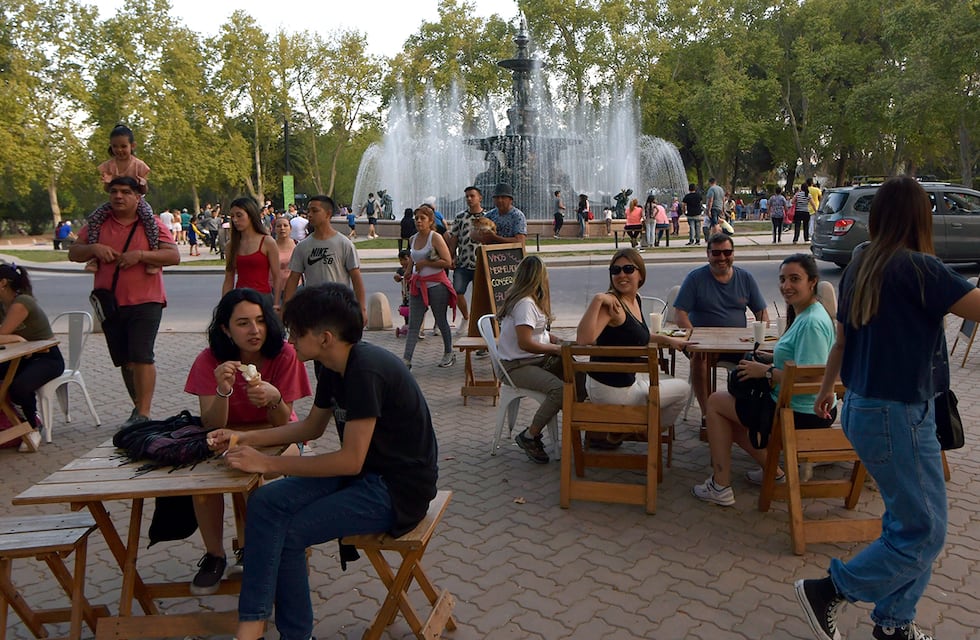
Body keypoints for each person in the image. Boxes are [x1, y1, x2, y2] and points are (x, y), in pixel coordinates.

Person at [795, 177, 980, 640]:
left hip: (862, 407)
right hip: (898, 415)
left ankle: (894, 624)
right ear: (922, 217)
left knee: (910, 524)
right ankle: (830, 591)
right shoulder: (922, 268)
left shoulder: (861, 262)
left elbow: (842, 340)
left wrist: (826, 389)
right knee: (925, 531)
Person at [208, 282, 439, 640]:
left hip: (396, 490)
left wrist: (267, 464)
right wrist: (242, 438)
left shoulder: (366, 371)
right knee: (265, 502)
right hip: (365, 474)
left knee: (290, 533)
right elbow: (311, 428)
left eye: (296, 333)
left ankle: (280, 632)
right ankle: (252, 622)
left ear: (325, 338)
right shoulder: (331, 365)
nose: (290, 340)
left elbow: (349, 461)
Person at [183, 288, 311, 595]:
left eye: (260, 320)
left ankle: (255, 549)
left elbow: (284, 423)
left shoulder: (284, 354)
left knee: (256, 476)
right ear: (226, 329)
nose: (255, 330)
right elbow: (211, 424)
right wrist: (223, 390)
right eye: (243, 323)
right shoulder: (209, 360)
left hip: (279, 437)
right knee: (202, 482)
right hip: (226, 437)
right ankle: (215, 556)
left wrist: (274, 398)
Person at [692, 254, 836, 506]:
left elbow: (811, 377)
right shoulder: (808, 313)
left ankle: (720, 485)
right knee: (730, 411)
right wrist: (771, 358)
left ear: (812, 281)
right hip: (800, 406)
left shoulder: (811, 322)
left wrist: (766, 372)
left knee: (715, 403)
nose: (786, 286)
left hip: (801, 412)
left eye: (795, 279)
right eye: (782, 279)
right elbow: (800, 361)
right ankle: (772, 471)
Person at [68, 176, 180, 426]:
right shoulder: (98, 225)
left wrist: (140, 256)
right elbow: (74, 252)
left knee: (141, 355)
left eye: (126, 192)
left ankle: (144, 413)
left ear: (138, 197)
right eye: (114, 191)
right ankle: (138, 409)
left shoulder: (150, 224)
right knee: (126, 360)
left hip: (147, 301)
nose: (118, 196)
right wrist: (94, 249)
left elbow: (173, 255)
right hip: (110, 303)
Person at [576, 249, 691, 447]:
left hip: (613, 384)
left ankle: (626, 430)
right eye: (616, 270)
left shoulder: (635, 299)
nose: (621, 274)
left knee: (659, 383)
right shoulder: (613, 305)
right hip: (613, 391)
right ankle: (645, 433)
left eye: (628, 269)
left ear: (640, 274)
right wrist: (597, 300)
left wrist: (668, 340)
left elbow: (638, 336)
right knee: (683, 389)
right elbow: (583, 339)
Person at [674, 234, 768, 433]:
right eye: (716, 253)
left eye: (727, 252)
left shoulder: (746, 278)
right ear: (708, 254)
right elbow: (680, 313)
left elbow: (762, 313)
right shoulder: (695, 278)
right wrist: (695, 338)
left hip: (738, 345)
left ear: (733, 254)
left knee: (760, 361)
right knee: (698, 359)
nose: (722, 257)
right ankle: (707, 414)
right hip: (702, 345)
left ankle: (742, 412)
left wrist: (759, 336)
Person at [497, 256, 564, 464]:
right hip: (516, 366)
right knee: (560, 390)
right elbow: (525, 343)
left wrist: (557, 341)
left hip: (532, 360)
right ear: (539, 278)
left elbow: (537, 333)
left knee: (577, 374)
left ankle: (586, 425)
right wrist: (556, 349)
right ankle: (530, 435)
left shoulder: (530, 300)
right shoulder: (525, 304)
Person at [0, 263, 65, 452]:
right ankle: (11, 423)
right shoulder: (2, 305)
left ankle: (32, 426)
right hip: (21, 357)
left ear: (3, 283)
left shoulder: (22, 302)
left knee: (18, 387)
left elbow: (1, 334)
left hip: (47, 358)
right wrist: (16, 339)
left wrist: (12, 338)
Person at [87, 124, 158, 274]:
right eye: (115, 146)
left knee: (149, 218)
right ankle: (93, 258)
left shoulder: (139, 165)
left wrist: (143, 184)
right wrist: (107, 183)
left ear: (132, 146)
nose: (119, 150)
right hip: (115, 203)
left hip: (136, 201)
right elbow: (108, 190)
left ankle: (153, 255)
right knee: (94, 218)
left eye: (123, 146)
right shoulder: (108, 166)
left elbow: (144, 191)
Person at [283, 195, 365, 323]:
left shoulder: (344, 244)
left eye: (315, 211)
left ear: (328, 214)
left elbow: (356, 278)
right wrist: (286, 308)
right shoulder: (302, 246)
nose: (310, 215)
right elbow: (293, 278)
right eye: (308, 211)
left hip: (340, 309)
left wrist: (362, 309)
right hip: (313, 310)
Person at [403, 206, 456, 369]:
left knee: (440, 319)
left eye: (422, 218)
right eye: (416, 218)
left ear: (430, 221)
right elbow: (413, 258)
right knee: (414, 324)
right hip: (417, 285)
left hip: (436, 285)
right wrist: (407, 271)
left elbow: (447, 262)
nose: (418, 221)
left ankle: (449, 352)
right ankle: (406, 360)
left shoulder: (435, 238)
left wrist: (425, 263)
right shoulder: (413, 239)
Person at [222, 197, 281, 310]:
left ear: (251, 215)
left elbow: (277, 276)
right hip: (240, 299)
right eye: (232, 216)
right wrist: (224, 306)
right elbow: (229, 278)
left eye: (239, 215)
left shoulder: (267, 242)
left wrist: (276, 303)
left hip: (263, 299)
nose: (235, 220)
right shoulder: (231, 245)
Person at [446, 186, 486, 336]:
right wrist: (451, 256)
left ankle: (479, 324)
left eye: (472, 196)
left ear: (480, 198)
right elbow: (454, 238)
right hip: (463, 263)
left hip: (481, 264)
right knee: (457, 291)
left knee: (480, 297)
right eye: (467, 196)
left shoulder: (487, 217)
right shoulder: (460, 217)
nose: (469, 199)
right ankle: (466, 317)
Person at [273, 216, 297, 303]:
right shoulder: (270, 246)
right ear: (274, 229)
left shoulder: (297, 245)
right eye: (279, 226)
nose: (282, 228)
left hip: (295, 288)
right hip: (274, 288)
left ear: (290, 228)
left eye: (285, 225)